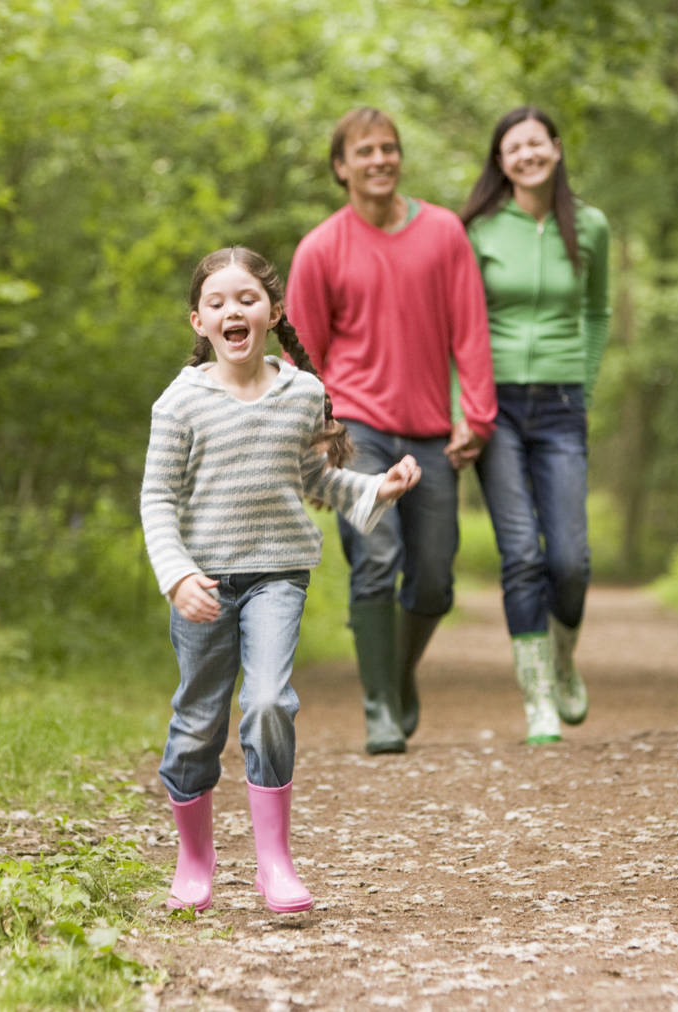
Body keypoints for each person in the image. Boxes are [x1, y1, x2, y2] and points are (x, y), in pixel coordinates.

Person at [142, 246, 423, 914]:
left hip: (277, 574)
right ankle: (195, 859)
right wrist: (177, 576)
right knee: (198, 724)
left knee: (268, 703)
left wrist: (375, 488)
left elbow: (312, 478)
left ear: (270, 311)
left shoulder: (302, 392)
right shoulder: (179, 403)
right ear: (198, 322)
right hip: (203, 584)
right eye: (217, 303)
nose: (232, 310)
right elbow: (157, 499)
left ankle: (274, 862)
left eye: (246, 298)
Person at [287, 106, 498, 755]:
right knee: (377, 559)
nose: (380, 159)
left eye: (389, 148)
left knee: (434, 576)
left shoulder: (442, 232)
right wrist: (317, 440)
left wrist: (478, 416)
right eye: (365, 151)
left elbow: (470, 327)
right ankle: (379, 705)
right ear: (340, 167)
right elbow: (302, 355)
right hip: (357, 431)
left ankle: (396, 675)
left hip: (432, 431)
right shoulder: (322, 247)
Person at [458, 106, 611, 745]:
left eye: (535, 143)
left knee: (570, 558)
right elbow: (459, 323)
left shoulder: (592, 226)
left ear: (555, 147)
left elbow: (598, 312)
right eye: (512, 147)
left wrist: (585, 379)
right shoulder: (480, 230)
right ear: (500, 161)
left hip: (561, 404)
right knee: (521, 553)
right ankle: (538, 699)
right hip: (495, 407)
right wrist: (462, 406)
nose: (526, 154)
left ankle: (563, 658)